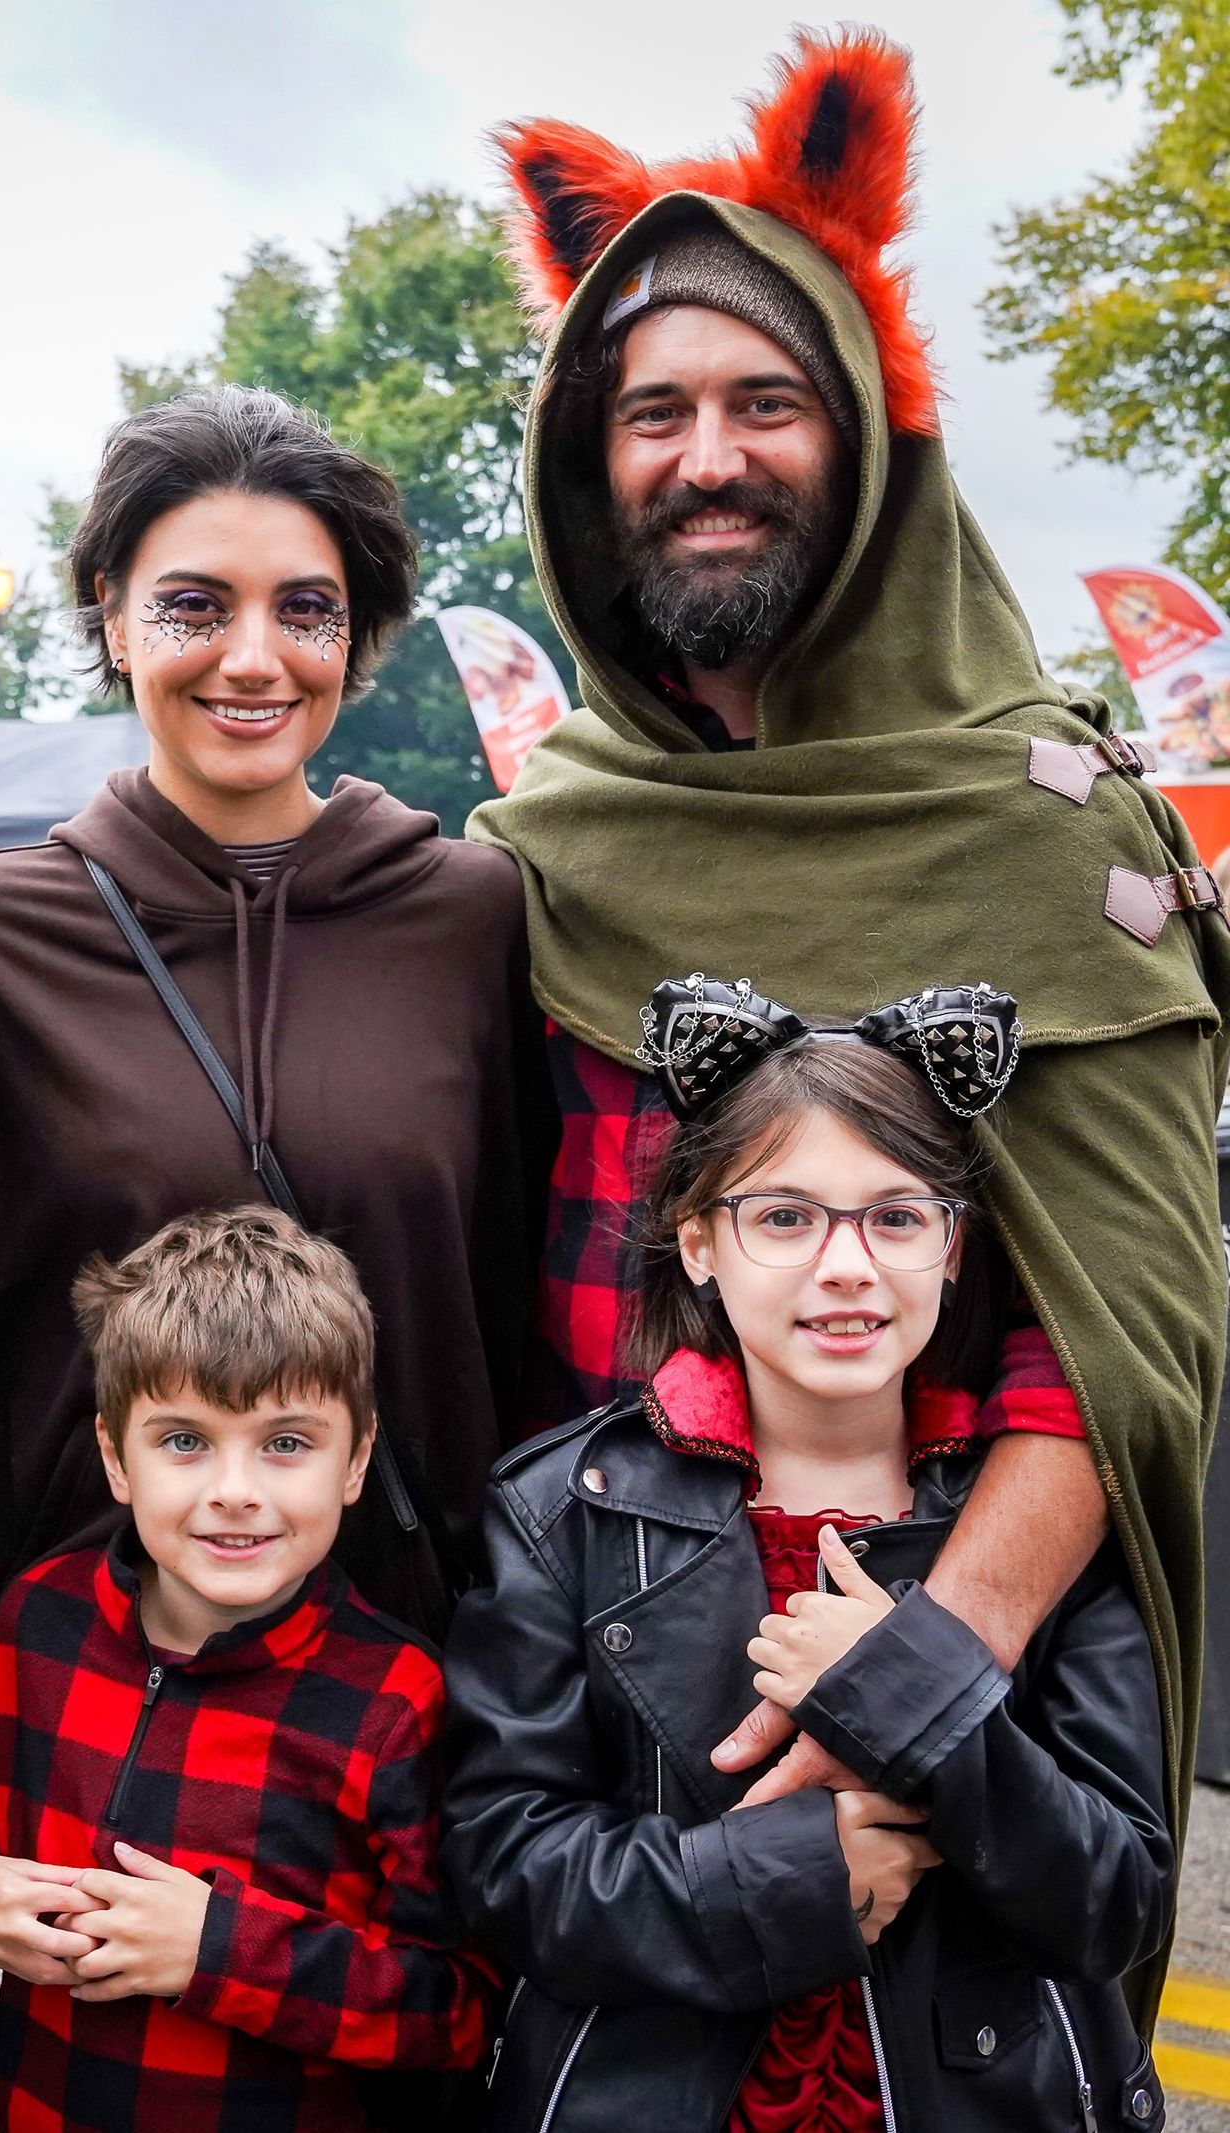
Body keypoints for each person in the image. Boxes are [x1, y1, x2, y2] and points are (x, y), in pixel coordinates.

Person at [469, 28, 1230, 1929]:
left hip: (968, 1684)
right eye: (651, 413)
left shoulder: (1048, 825)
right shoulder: (547, 842)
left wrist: (922, 1680)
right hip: (583, 1680)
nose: (707, 457)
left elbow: (1124, 1337)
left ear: (870, 431)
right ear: (588, 457)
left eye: (767, 400)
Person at [0, 385, 554, 1671]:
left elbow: (520, 1308)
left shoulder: (479, 920)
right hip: (63, 1692)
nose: (253, 657)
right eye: (195, 605)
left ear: (357, 632)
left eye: (305, 608)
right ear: (112, 614)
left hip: (412, 1692)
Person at [445, 995, 1171, 2130]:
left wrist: (917, 1689)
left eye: (895, 1218)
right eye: (784, 1218)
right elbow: (506, 1865)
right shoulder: (562, 1511)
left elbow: (1115, 1901)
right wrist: (786, 1881)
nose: (846, 1266)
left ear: (953, 1241)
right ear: (698, 1242)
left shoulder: (1038, 1518)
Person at [0, 1207, 494, 2132]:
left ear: (357, 1460)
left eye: (287, 1442)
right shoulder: (34, 1625)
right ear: (116, 1455)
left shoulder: (396, 1701)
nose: (235, 1489)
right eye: (184, 1440)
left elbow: (458, 2005)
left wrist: (218, 1951)